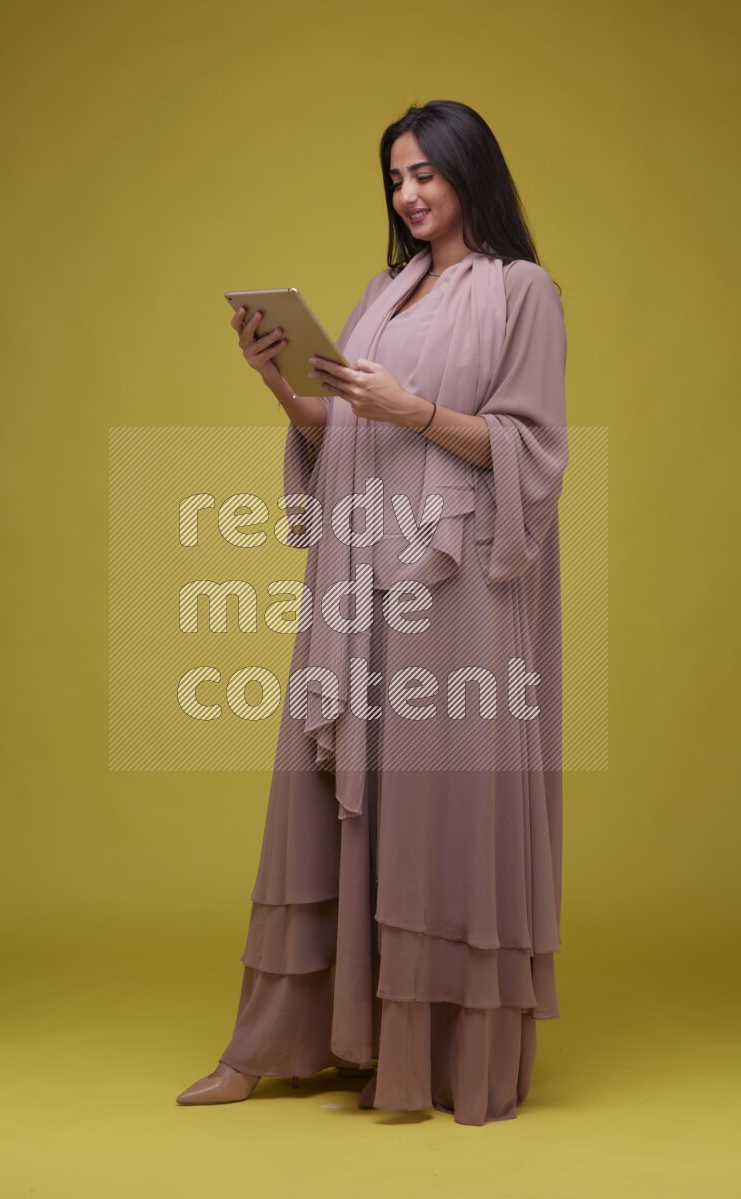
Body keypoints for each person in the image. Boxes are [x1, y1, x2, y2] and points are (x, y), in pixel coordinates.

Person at [176, 98, 569, 1126]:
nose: (407, 194)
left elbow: (532, 450)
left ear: (470, 172)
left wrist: (414, 411)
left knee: (438, 804)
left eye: (425, 173)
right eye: (396, 177)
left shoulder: (521, 291)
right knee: (333, 795)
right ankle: (279, 1041)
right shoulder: (383, 292)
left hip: (455, 585)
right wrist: (279, 380)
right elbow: (341, 432)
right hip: (361, 578)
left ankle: (430, 1054)